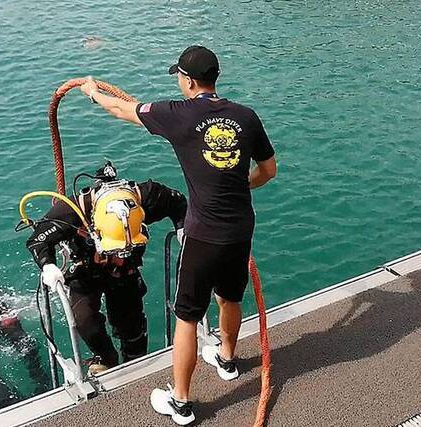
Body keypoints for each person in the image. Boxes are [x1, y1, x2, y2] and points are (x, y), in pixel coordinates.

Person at [79, 46, 277, 425]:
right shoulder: (245, 117)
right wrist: (239, 187)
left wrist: (91, 90)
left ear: (186, 80)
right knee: (230, 297)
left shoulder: (177, 114)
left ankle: (181, 402)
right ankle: (227, 360)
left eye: (179, 77)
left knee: (187, 317)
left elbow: (121, 109)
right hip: (240, 227)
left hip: (203, 233)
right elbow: (268, 170)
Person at [26, 162, 187, 374]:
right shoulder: (72, 211)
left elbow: (179, 204)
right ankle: (106, 357)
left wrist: (183, 227)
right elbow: (37, 241)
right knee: (84, 321)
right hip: (85, 269)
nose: (119, 255)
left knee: (132, 328)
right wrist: (48, 265)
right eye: (115, 250)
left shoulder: (148, 197)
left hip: (125, 273)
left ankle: (135, 362)